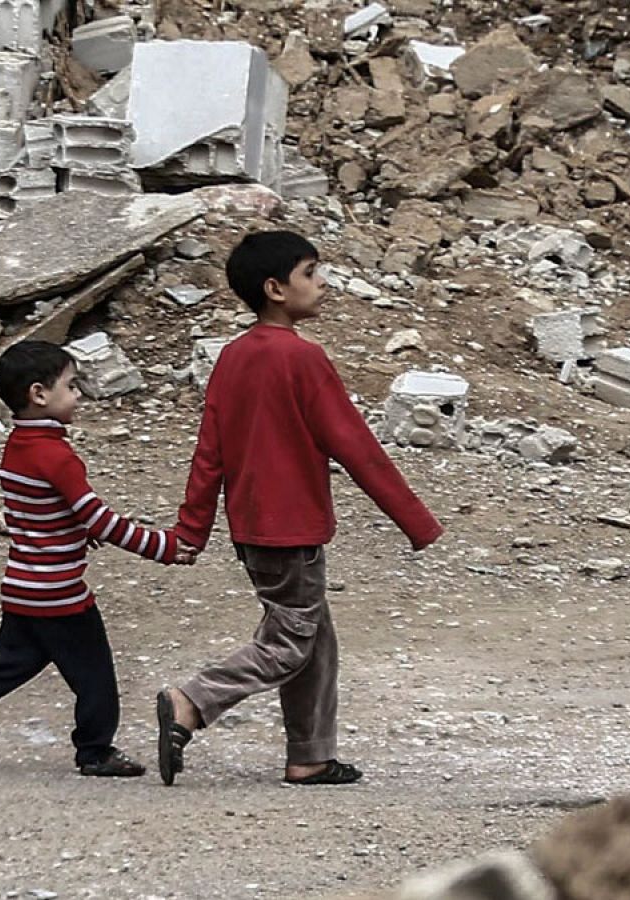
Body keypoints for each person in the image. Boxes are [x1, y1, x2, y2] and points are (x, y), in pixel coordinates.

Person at [156, 230, 444, 787]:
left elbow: (208, 451)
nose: (322, 282)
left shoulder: (233, 357)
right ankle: (190, 701)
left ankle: (309, 756)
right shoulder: (304, 359)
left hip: (251, 527)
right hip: (291, 531)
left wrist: (193, 528)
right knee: (289, 643)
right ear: (275, 288)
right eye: (311, 272)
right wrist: (417, 522)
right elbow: (357, 447)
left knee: (315, 641)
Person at [0, 340, 193, 777]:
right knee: (95, 676)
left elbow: (40, 511)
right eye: (71, 386)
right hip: (59, 594)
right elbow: (99, 518)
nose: (77, 395)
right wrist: (165, 548)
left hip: (23, 585)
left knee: (8, 665)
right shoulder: (57, 456)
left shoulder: (17, 448)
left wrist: (73, 530)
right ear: (39, 394)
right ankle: (95, 751)